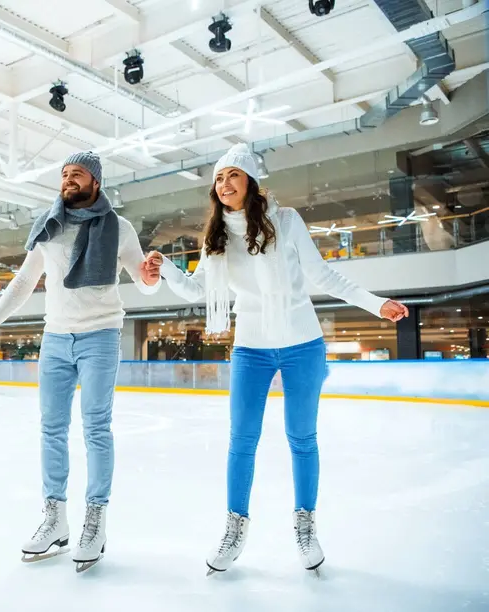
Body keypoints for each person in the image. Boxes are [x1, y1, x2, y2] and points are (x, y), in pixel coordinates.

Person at [140, 143, 408, 576]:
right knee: (241, 441)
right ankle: (234, 528)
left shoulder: (285, 221)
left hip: (303, 342)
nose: (224, 184)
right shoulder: (215, 239)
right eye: (219, 178)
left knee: (302, 438)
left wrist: (375, 304)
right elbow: (196, 290)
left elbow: (324, 275)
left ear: (250, 181)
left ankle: (305, 527)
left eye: (233, 175)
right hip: (251, 347)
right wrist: (167, 270)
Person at [0, 150, 161, 572]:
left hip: (100, 334)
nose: (68, 180)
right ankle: (55, 517)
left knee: (96, 427)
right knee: (52, 428)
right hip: (55, 338)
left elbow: (144, 283)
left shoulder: (120, 227)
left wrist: (151, 275)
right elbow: (25, 280)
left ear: (95, 181)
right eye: (63, 174)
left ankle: (94, 520)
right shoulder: (51, 226)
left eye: (76, 174)